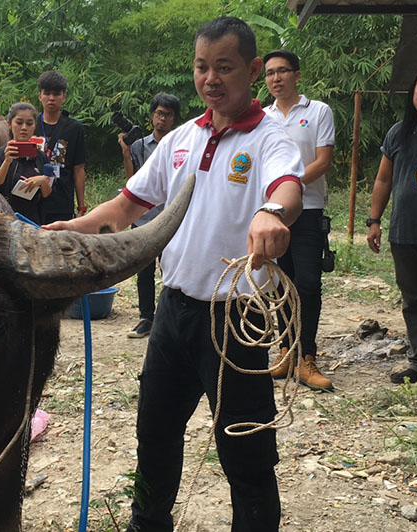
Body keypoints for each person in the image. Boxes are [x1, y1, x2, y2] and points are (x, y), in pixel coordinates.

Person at [45, 17, 304, 531]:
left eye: (224, 67)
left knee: (246, 450)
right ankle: (147, 524)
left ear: (252, 70)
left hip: (235, 319)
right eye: (202, 67)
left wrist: (271, 212)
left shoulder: (272, 136)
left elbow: (287, 187)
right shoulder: (181, 138)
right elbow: (127, 205)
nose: (211, 79)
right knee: (155, 432)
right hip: (174, 312)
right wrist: (75, 227)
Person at [263, 49, 335, 391]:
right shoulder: (263, 117)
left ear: (297, 75)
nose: (276, 78)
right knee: (281, 284)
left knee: (307, 283)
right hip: (273, 212)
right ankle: (285, 353)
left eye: (282, 71)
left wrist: (287, 185)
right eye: (270, 73)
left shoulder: (318, 111)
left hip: (307, 210)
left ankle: (307, 357)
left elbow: (322, 162)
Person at [367, 65, 417, 384]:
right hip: (404, 231)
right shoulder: (398, 132)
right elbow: (383, 179)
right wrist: (374, 220)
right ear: (413, 94)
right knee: (415, 300)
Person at [118, 92, 181, 339]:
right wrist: (125, 154)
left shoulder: (179, 144)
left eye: (167, 115)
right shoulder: (139, 145)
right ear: (152, 115)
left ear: (174, 118)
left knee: (171, 267)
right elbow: (131, 181)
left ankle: (171, 317)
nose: (162, 119)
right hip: (143, 217)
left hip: (171, 215)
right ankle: (146, 318)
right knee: (143, 270)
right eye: (159, 113)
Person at [0, 103, 52, 224]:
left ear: (35, 126)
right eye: (19, 123)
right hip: (4, 220)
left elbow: (48, 196)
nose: (24, 128)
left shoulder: (41, 157)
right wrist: (7, 162)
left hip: (33, 221)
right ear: (9, 124)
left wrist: (42, 181)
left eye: (29, 123)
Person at [35, 71, 87, 224]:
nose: (51, 98)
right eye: (47, 93)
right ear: (40, 96)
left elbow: (78, 169)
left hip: (61, 201)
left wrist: (81, 207)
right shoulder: (31, 124)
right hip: (33, 200)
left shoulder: (74, 128)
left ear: (63, 97)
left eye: (56, 94)